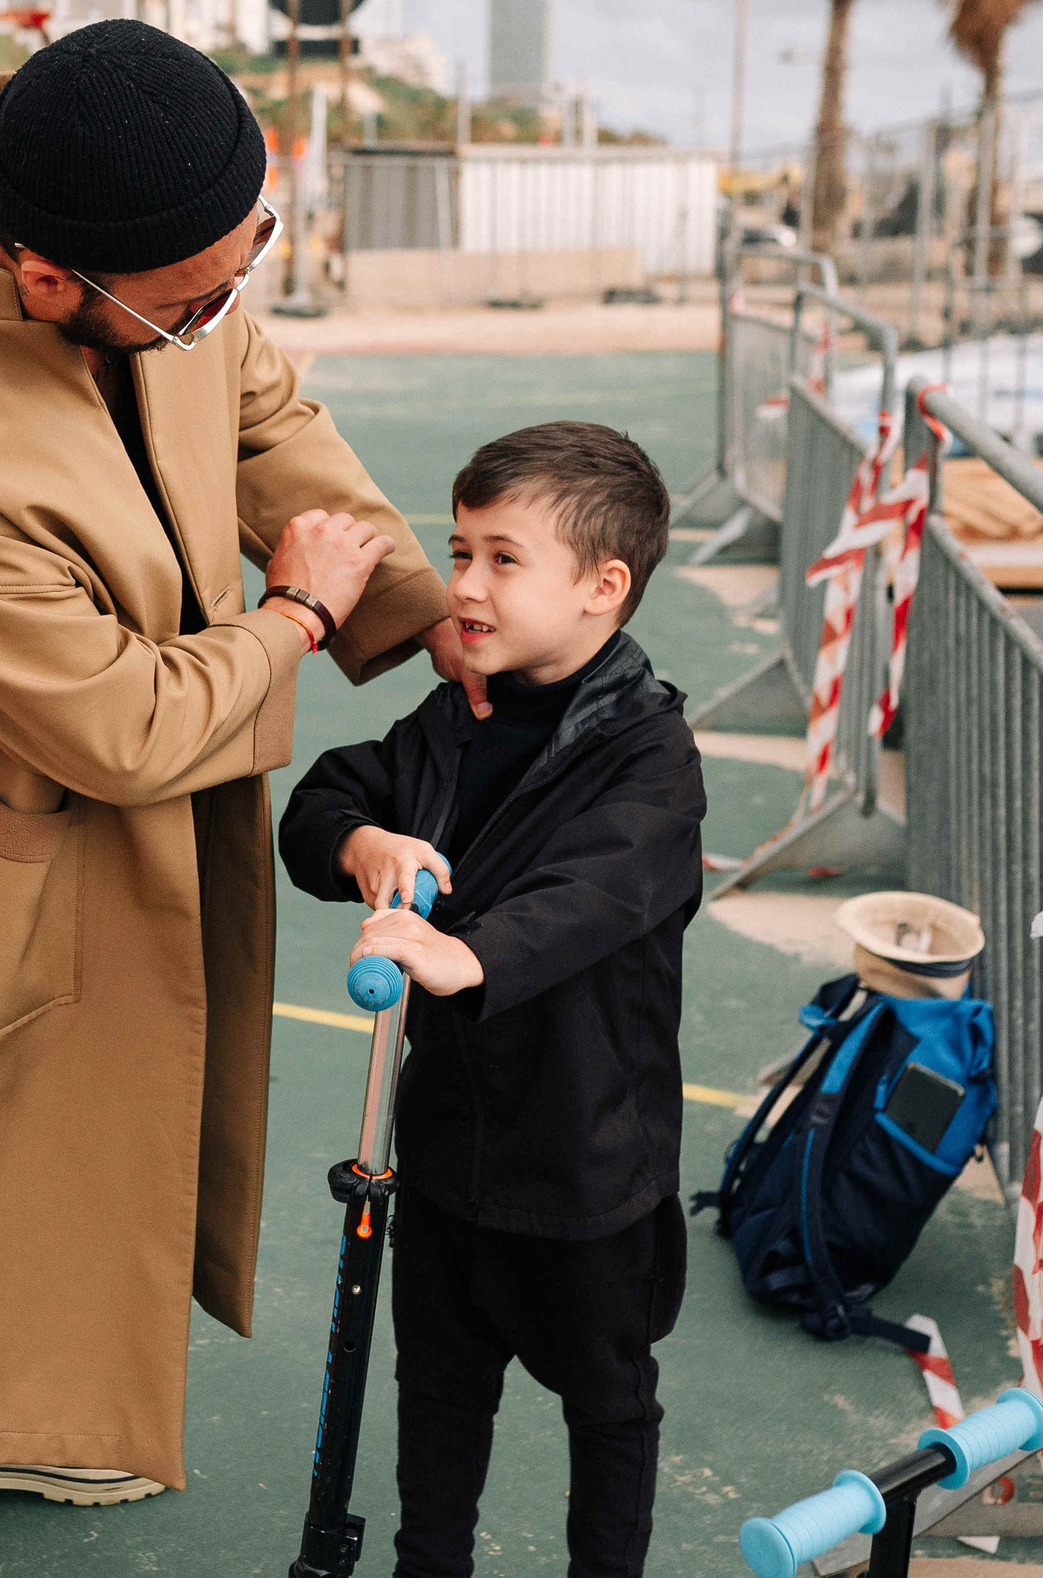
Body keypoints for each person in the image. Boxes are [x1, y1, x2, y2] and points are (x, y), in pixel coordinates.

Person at [0, 22, 480, 1578]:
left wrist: (413, 599)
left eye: (244, 269)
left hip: (57, 757)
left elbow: (260, 407)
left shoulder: (148, 253)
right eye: (193, 301)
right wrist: (301, 620)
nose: (224, 314)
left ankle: (28, 1411)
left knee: (65, 1124)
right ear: (50, 283)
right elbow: (117, 720)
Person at [278, 422, 706, 1578]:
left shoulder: (649, 754)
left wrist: (466, 955)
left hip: (583, 1157)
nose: (462, 586)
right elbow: (324, 796)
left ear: (600, 588)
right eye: (459, 550)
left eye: (501, 559)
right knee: (438, 1390)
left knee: (607, 1399)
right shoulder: (457, 717)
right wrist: (365, 841)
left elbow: (601, 888)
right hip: (451, 1142)